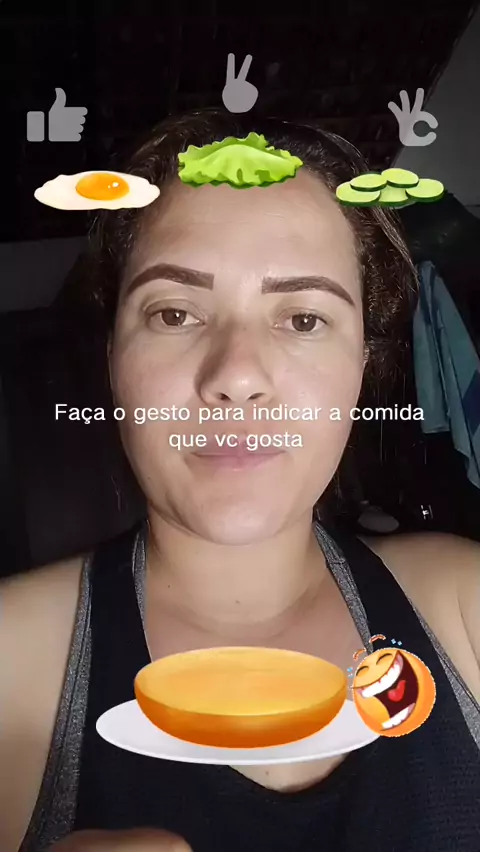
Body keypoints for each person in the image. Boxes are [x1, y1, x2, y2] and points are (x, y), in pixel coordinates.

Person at [1, 109, 479, 852]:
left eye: (304, 320)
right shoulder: (9, 662)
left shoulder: (468, 609)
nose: (237, 376)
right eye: (174, 312)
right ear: (113, 360)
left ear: (361, 369)